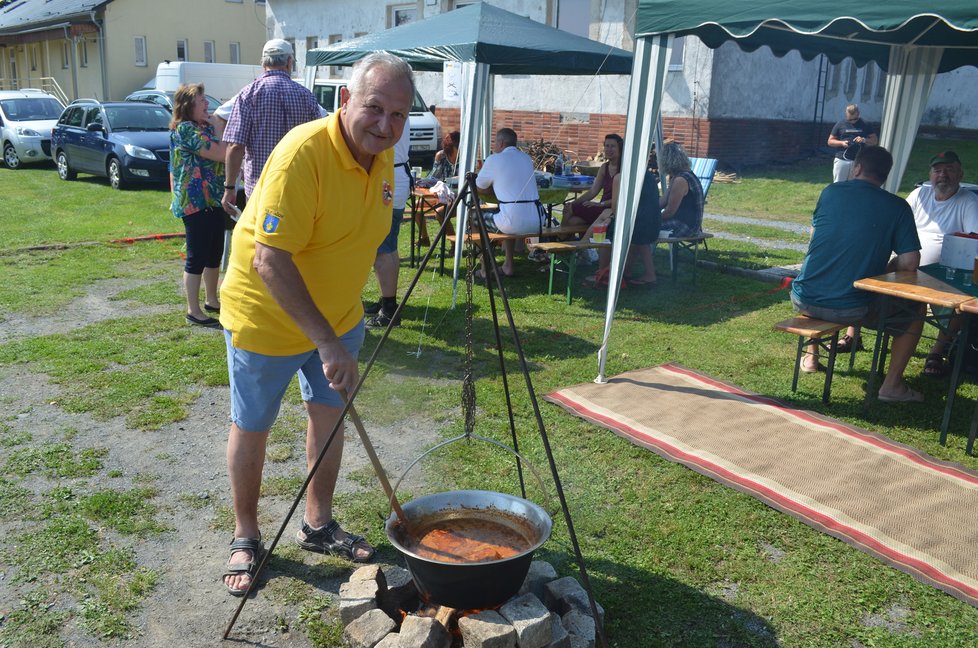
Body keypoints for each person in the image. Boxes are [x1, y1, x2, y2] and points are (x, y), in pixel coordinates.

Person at [218, 52, 415, 596]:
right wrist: (327, 342)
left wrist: (340, 329)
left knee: (329, 419)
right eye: (375, 108)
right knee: (252, 423)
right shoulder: (303, 154)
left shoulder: (385, 160)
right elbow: (270, 259)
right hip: (267, 316)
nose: (386, 124)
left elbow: (363, 239)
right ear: (345, 100)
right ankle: (246, 535)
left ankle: (318, 523)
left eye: (399, 115)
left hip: (339, 318)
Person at [790, 146, 925, 403]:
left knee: (825, 279)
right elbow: (910, 263)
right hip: (851, 307)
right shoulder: (897, 206)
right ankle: (892, 385)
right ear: (885, 176)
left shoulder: (829, 192)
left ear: (858, 168)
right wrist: (888, 266)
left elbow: (814, 238)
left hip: (802, 297)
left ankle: (810, 357)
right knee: (917, 308)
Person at [220, 38, 321, 215]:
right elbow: (318, 144)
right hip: (297, 187)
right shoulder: (306, 96)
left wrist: (229, 188)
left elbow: (235, 146)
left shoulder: (248, 94)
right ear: (289, 62)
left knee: (259, 240)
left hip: (260, 189)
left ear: (263, 63)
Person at [909, 151, 978, 377]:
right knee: (868, 273)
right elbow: (897, 221)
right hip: (905, 267)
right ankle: (853, 335)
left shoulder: (968, 201)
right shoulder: (919, 194)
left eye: (949, 169)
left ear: (960, 173)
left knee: (959, 301)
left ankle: (937, 352)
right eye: (937, 170)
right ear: (930, 175)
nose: (943, 175)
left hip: (944, 274)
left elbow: (973, 238)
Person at [168, 83, 228, 328]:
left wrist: (215, 125)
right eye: (201, 100)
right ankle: (193, 310)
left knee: (214, 253)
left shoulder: (203, 127)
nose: (207, 104)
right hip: (195, 201)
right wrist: (219, 127)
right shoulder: (186, 130)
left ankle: (212, 300)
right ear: (187, 105)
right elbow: (222, 153)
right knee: (197, 256)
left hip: (213, 199)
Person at [475, 127, 543, 278]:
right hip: (537, 220)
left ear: (501, 142)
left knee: (473, 217)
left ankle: (485, 267)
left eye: (494, 142)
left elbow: (479, 187)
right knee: (507, 216)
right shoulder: (526, 158)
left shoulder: (494, 159)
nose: (493, 145)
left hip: (512, 221)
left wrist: (494, 190)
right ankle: (508, 265)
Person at [363, 119, 412, 328]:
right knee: (386, 245)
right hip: (394, 175)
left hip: (389, 176)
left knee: (384, 248)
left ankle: (389, 310)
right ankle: (386, 302)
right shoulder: (397, 112)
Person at [584, 159, 661, 287]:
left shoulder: (620, 178)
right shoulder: (649, 177)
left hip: (637, 225)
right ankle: (626, 271)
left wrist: (609, 218)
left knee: (607, 231)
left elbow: (616, 209)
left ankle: (603, 271)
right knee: (612, 222)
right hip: (653, 223)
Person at [562, 134, 623, 228]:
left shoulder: (624, 170)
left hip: (610, 210)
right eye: (607, 146)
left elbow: (622, 199)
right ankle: (569, 240)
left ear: (620, 148)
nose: (609, 149)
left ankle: (560, 238)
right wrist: (573, 203)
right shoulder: (604, 167)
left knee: (570, 210)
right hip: (599, 208)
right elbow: (592, 192)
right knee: (573, 221)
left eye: (613, 146)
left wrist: (599, 204)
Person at [417, 130, 460, 246]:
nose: (450, 152)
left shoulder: (465, 158)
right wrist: (422, 180)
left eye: (454, 148)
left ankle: (454, 244)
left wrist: (449, 180)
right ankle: (424, 238)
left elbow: (467, 178)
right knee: (417, 206)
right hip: (443, 194)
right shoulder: (441, 156)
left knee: (440, 213)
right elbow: (433, 177)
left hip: (459, 197)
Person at [658, 142, 704, 237]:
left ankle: (639, 252)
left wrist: (651, 219)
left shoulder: (681, 180)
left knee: (642, 228)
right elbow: (663, 201)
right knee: (642, 224)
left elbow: (670, 212)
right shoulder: (679, 176)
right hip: (685, 223)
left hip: (686, 227)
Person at [828, 104, 878, 183]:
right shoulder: (840, 124)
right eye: (849, 119)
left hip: (859, 161)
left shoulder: (866, 124)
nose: (852, 121)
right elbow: (830, 141)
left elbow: (874, 140)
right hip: (842, 159)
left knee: (855, 185)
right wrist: (841, 143)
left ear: (858, 114)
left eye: (854, 119)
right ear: (846, 114)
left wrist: (864, 140)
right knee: (838, 184)